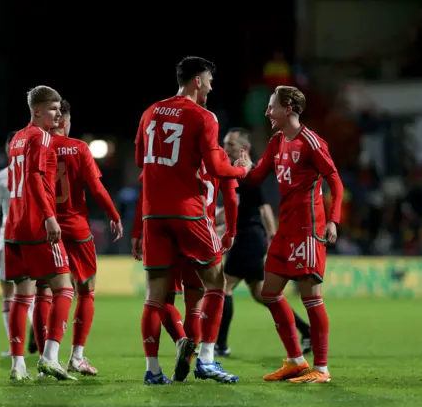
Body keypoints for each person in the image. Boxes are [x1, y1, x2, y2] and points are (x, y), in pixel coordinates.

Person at [133, 56, 251, 384]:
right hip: (187, 212)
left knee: (154, 297)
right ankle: (208, 361)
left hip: (153, 215)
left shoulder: (150, 112)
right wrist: (243, 168)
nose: (211, 88)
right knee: (216, 282)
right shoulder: (203, 116)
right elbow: (216, 168)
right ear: (197, 80)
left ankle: (153, 371)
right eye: (209, 81)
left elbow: (140, 158)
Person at [236, 86, 343, 384]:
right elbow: (257, 177)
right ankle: (296, 360)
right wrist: (242, 170)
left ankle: (321, 368)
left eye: (272, 107)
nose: (267, 112)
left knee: (312, 300)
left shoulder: (311, 142)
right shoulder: (277, 141)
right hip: (284, 232)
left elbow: (335, 181)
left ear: (289, 109)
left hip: (308, 230)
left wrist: (333, 221)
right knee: (269, 293)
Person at [132, 147, 238, 383]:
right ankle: (200, 358)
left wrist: (137, 231)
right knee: (199, 302)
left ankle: (161, 362)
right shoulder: (218, 155)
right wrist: (230, 230)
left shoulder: (170, 150)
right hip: (197, 229)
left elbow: (146, 187)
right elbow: (230, 198)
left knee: (158, 298)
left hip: (162, 226)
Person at [40, 99, 123, 376]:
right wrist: (114, 214)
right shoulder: (78, 148)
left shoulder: (37, 147)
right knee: (86, 291)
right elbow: (97, 188)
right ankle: (76, 356)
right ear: (65, 121)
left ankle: (45, 359)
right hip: (76, 229)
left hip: (45, 229)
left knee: (46, 293)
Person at [216, 127, 312, 356]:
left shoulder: (252, 174)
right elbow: (237, 206)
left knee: (223, 288)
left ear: (244, 148)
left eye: (231, 144)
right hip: (248, 238)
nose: (226, 148)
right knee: (262, 294)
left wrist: (272, 235)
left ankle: (220, 345)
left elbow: (264, 206)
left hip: (248, 239)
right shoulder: (238, 172)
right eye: (225, 144)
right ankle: (306, 330)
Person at [4, 85, 76, 381]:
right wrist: (49, 218)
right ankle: (49, 357)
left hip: (14, 225)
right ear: (36, 110)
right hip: (36, 225)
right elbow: (35, 179)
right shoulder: (41, 136)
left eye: (60, 109)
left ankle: (18, 364)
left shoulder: (17, 138)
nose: (59, 114)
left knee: (22, 296)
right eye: (53, 109)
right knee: (65, 287)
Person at [0, 131, 37, 357]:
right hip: (34, 238)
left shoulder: (1, 177)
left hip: (8, 238)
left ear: (7, 148)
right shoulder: (36, 172)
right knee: (30, 291)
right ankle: (35, 325)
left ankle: (15, 345)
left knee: (8, 293)